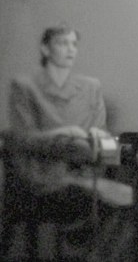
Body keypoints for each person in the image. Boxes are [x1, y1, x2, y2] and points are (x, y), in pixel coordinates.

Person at [4, 25, 131, 261]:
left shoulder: (90, 87)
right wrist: (66, 133)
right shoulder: (25, 86)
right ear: (45, 49)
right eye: (62, 43)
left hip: (86, 170)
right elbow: (23, 139)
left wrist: (102, 141)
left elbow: (101, 136)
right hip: (44, 176)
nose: (70, 49)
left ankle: (85, 250)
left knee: (135, 187)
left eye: (74, 44)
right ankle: (80, 248)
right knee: (96, 196)